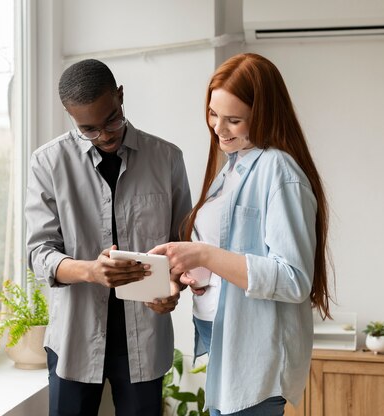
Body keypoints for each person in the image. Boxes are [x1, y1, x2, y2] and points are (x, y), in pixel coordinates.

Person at [150, 53, 332, 416]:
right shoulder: (231, 169)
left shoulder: (279, 171)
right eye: (213, 114)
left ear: (264, 114)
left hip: (254, 354)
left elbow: (293, 278)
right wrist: (192, 272)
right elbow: (233, 254)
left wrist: (203, 255)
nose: (219, 128)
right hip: (224, 344)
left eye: (234, 119)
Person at [25, 58, 192, 416]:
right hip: (74, 338)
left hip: (144, 339)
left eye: (112, 119)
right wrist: (90, 271)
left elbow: (184, 249)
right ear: (69, 116)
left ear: (120, 95)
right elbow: (39, 253)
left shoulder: (167, 159)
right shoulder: (47, 164)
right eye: (88, 129)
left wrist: (174, 289)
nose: (105, 135)